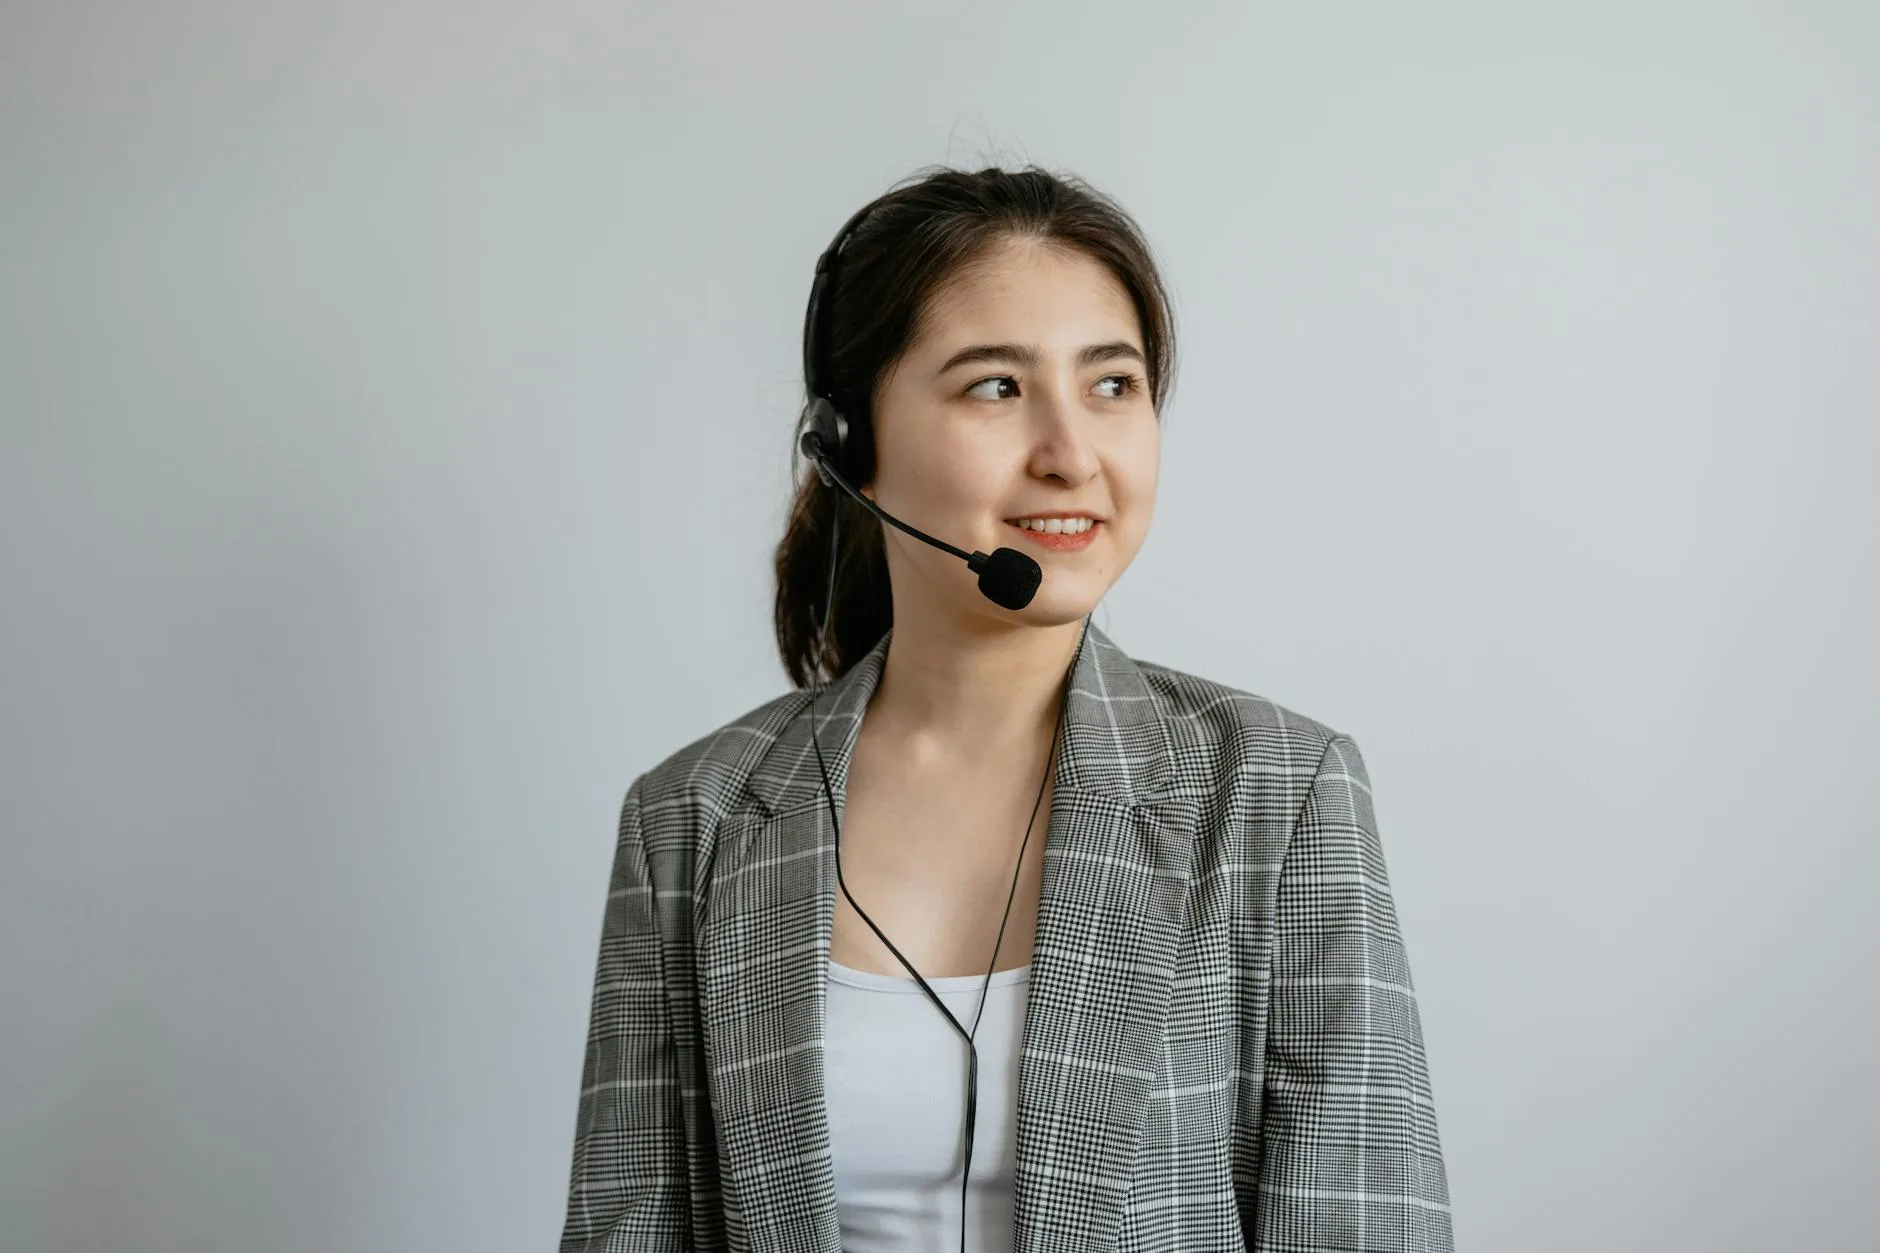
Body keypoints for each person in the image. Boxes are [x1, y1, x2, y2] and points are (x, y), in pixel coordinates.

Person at [559, 164, 1454, 1253]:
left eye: (1111, 384)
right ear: (850, 446)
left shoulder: (1278, 792)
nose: (1071, 453)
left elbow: (1364, 1228)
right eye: (995, 385)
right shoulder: (692, 819)